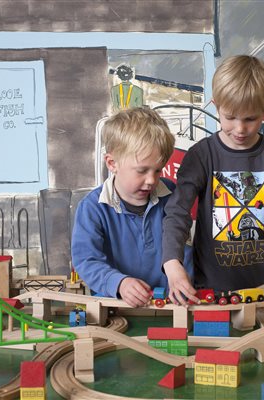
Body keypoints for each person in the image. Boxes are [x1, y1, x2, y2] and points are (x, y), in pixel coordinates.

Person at [162, 55, 264, 305]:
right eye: (230, 117)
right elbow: (177, 212)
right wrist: (172, 263)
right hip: (211, 287)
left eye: (250, 119)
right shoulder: (200, 155)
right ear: (216, 105)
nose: (240, 129)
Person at [72, 107, 192, 307]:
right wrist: (119, 283)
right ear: (112, 163)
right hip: (116, 307)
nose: (151, 180)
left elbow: (184, 247)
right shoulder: (92, 208)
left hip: (170, 306)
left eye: (158, 170)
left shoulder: (171, 196)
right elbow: (87, 261)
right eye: (142, 170)